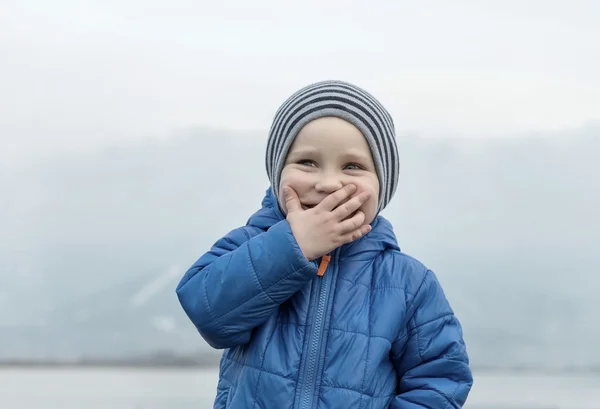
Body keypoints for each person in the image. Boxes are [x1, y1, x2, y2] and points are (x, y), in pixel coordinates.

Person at [176, 80, 473, 409]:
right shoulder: (252, 244)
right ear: (278, 174)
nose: (329, 183)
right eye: (307, 162)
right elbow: (206, 312)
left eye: (353, 166)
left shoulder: (409, 284)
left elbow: (441, 380)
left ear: (383, 185)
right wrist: (293, 247)